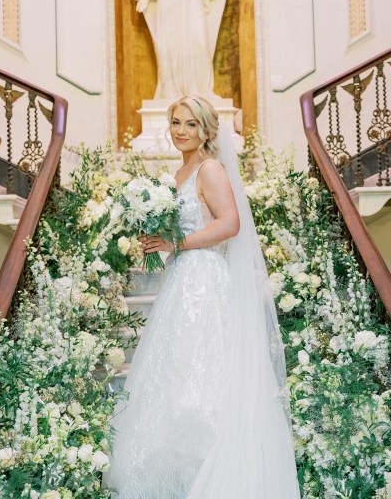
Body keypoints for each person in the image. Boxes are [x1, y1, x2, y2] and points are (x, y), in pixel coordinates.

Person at [104, 96, 301, 498]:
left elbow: (230, 223)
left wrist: (178, 242)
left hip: (205, 280)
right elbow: (182, 230)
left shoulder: (210, 169)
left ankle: (216, 472)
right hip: (181, 280)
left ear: (207, 130)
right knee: (176, 372)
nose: (181, 131)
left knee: (203, 373)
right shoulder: (178, 173)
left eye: (191, 124)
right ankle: (183, 476)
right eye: (175, 122)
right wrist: (154, 238)